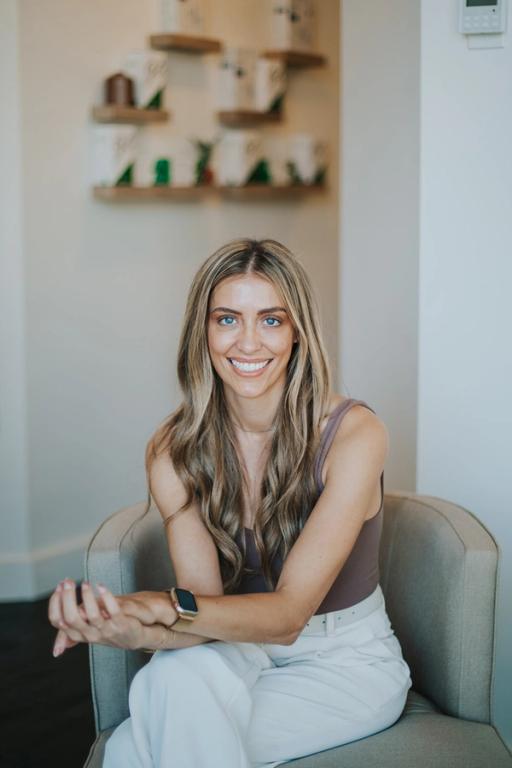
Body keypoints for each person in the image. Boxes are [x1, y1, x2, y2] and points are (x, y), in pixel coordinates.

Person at [48, 238, 412, 767]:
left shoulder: (355, 434)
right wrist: (129, 628)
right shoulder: (173, 449)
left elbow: (288, 616)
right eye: (226, 320)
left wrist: (159, 606)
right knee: (172, 676)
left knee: (130, 751)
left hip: (346, 660)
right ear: (204, 331)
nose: (247, 343)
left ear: (297, 334)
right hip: (235, 645)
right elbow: (202, 607)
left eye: (270, 320)